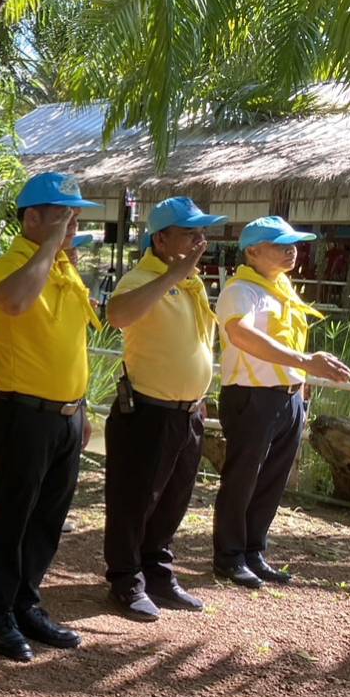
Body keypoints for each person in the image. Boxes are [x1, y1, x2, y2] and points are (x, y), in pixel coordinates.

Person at [0, 173, 100, 662]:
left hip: (65, 416)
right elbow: (13, 302)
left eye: (76, 216)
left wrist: (81, 408)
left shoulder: (65, 268)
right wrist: (51, 246)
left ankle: (26, 602)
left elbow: (71, 344)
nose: (73, 224)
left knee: (48, 518)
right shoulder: (8, 266)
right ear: (32, 218)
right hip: (23, 412)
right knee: (12, 516)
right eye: (63, 215)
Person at [103, 197, 226, 619]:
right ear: (161, 239)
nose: (199, 241)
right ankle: (126, 579)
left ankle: (157, 571)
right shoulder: (141, 278)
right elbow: (118, 315)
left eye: (201, 232)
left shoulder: (192, 283)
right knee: (134, 500)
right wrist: (173, 274)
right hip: (148, 412)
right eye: (190, 233)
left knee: (173, 499)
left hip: (188, 412)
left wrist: (199, 397)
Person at [212, 216, 350, 586]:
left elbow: (288, 338)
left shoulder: (281, 287)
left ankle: (253, 551)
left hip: (287, 397)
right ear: (252, 252)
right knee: (242, 478)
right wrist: (305, 362)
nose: (291, 251)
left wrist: (300, 383)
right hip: (252, 396)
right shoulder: (241, 291)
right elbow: (242, 336)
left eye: (292, 244)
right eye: (279, 245)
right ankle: (229, 556)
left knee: (273, 479)